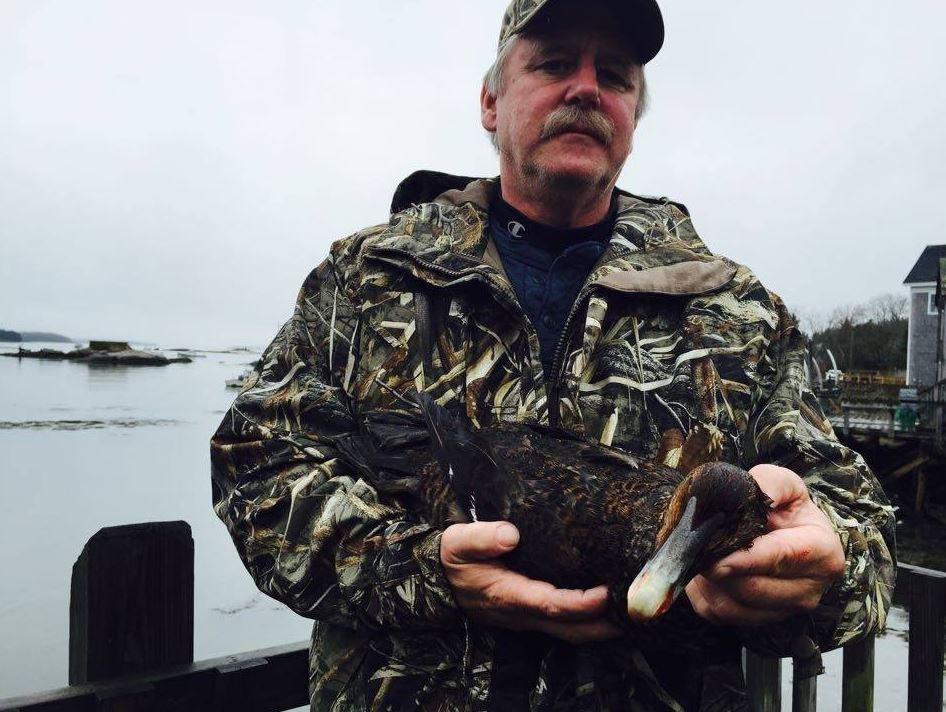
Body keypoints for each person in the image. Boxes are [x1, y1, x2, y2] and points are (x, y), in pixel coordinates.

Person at [211, 0, 896, 709]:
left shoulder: (738, 312)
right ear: (490, 101)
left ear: (632, 114)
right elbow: (253, 470)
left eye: (616, 75)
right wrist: (419, 570)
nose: (586, 89)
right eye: (555, 63)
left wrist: (819, 573)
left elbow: (862, 534)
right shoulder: (365, 281)